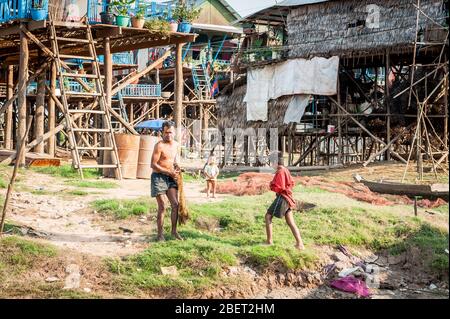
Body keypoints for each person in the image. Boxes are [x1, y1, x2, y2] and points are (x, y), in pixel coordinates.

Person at [150, 121, 183, 241]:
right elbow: (153, 164)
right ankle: (160, 235)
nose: (168, 135)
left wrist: (178, 167)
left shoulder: (176, 145)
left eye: (171, 132)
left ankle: (174, 232)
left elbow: (175, 160)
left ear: (174, 132)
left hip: (171, 177)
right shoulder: (159, 145)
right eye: (166, 132)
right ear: (162, 132)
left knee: (175, 205)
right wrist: (168, 171)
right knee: (162, 205)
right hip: (158, 177)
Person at [265, 153, 305, 250]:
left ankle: (269, 241)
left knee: (268, 217)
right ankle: (300, 244)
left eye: (272, 163)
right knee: (290, 222)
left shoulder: (280, 171)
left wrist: (271, 185)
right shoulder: (285, 170)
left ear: (276, 162)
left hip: (282, 198)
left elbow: (279, 187)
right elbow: (291, 183)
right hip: (287, 198)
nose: (271, 165)